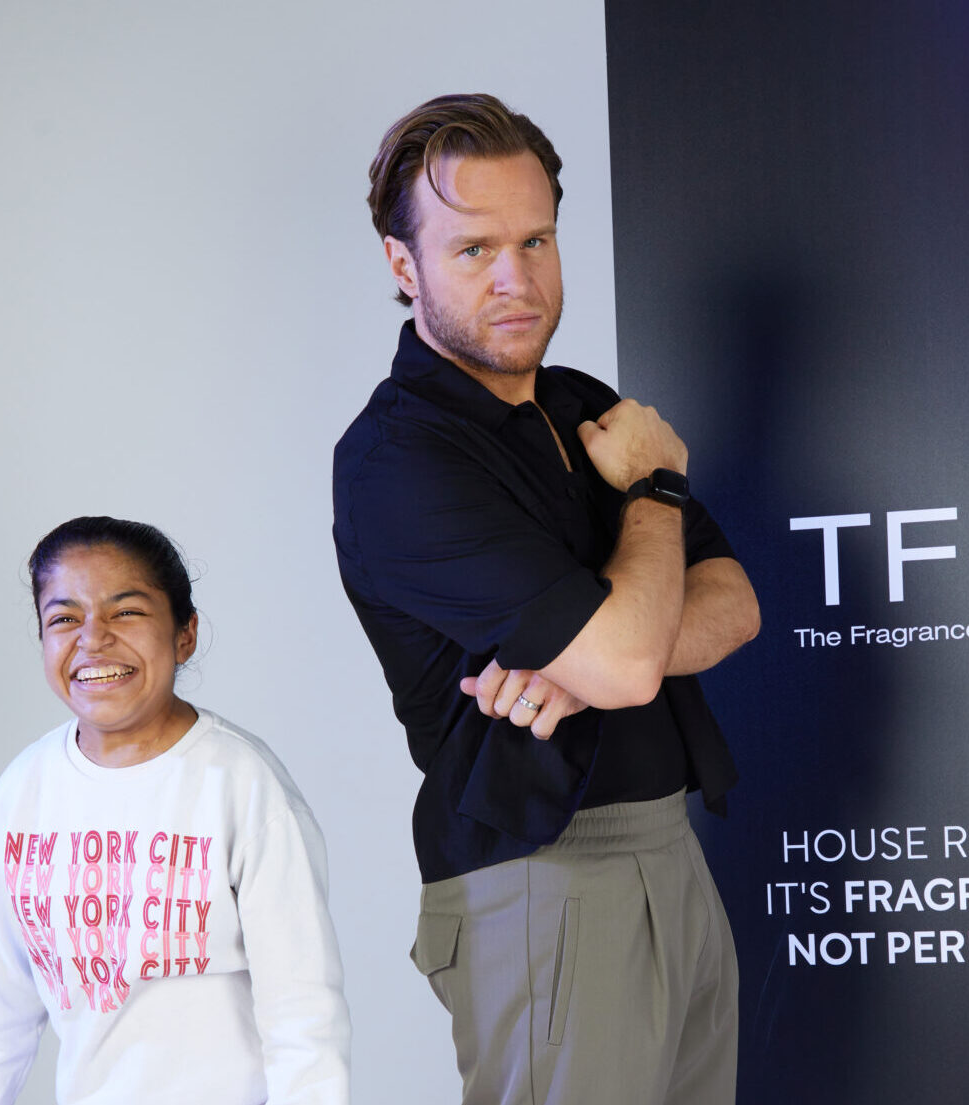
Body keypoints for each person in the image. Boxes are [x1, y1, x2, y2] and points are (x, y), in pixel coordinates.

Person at [333, 93, 760, 1104]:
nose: (516, 278)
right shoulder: (401, 460)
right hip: (541, 874)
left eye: (535, 239)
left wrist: (605, 660)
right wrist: (653, 492)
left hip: (669, 848)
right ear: (405, 268)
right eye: (474, 249)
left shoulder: (576, 402)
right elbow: (621, 659)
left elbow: (734, 602)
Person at [0, 516, 351, 1105]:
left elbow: (304, 1018)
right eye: (63, 618)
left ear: (184, 634)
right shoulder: (22, 795)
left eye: (125, 611)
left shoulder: (240, 785)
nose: (93, 638)